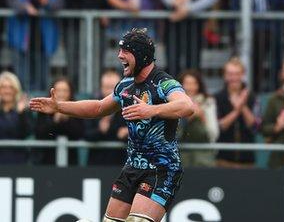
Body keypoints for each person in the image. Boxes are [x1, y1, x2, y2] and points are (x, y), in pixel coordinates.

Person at [30, 28, 194, 222]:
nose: (119, 56)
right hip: (132, 168)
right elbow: (99, 108)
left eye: (125, 51)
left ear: (140, 54)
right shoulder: (125, 85)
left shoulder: (163, 83)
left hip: (161, 168)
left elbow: (187, 106)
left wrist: (151, 110)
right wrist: (59, 107)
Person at [214, 57, 258, 168]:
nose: (233, 78)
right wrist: (236, 110)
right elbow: (220, 126)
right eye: (230, 74)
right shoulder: (217, 98)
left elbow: (254, 126)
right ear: (225, 75)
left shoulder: (252, 97)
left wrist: (243, 106)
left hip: (247, 160)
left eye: (237, 74)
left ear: (243, 74)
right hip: (223, 160)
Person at [34, 78, 84, 165]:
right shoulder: (43, 109)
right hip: (47, 160)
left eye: (65, 91)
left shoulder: (77, 109)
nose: (61, 94)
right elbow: (39, 133)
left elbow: (80, 133)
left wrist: (67, 119)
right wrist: (55, 121)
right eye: (58, 90)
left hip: (71, 161)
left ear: (70, 93)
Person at [85, 69, 128, 166]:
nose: (110, 92)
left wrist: (127, 132)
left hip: (120, 164)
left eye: (113, 87)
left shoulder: (128, 106)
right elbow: (85, 134)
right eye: (107, 87)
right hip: (96, 164)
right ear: (101, 88)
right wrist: (100, 130)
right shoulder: (92, 106)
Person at [177, 69, 219, 167]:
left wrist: (201, 115)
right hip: (181, 156)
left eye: (194, 83)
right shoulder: (173, 102)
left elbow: (213, 133)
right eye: (187, 83)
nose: (190, 87)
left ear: (199, 85)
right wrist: (187, 116)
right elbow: (174, 134)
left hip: (204, 156)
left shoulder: (208, 102)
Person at [0, 71, 30, 164]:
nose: (7, 91)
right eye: (4, 87)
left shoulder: (24, 111)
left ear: (16, 90)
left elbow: (26, 133)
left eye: (11, 87)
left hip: (18, 160)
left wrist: (21, 114)